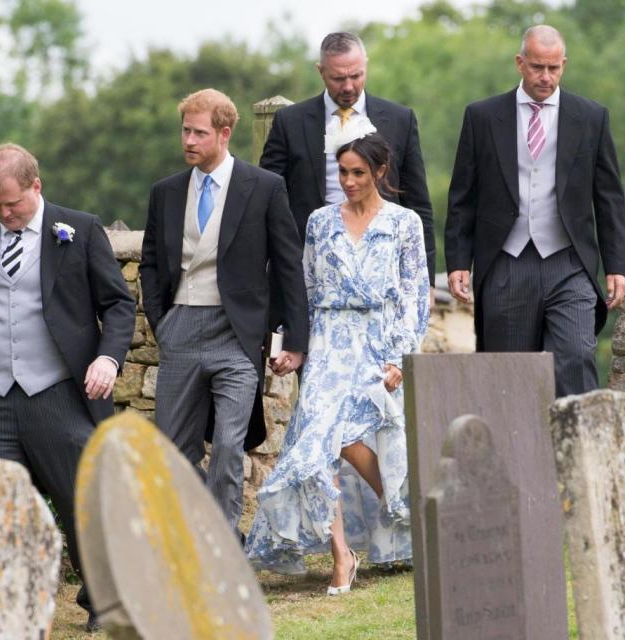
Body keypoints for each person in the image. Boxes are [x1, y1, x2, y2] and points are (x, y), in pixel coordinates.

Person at [0, 143, 136, 633]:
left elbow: (119, 305)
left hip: (59, 393)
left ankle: (106, 600)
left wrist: (108, 358)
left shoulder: (79, 229)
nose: (4, 214)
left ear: (36, 187)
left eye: (13, 205)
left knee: (80, 503)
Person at [246, 119, 430, 594]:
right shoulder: (320, 221)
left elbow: (414, 296)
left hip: (378, 340)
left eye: (358, 173)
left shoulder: (404, 223)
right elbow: (303, 289)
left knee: (353, 439)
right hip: (328, 341)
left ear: (380, 171)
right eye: (342, 172)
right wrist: (294, 347)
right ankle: (341, 555)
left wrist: (400, 356)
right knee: (316, 443)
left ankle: (403, 506)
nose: (348, 182)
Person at [139, 89, 309, 537]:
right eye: (185, 131)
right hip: (180, 327)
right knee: (175, 450)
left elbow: (288, 263)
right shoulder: (166, 192)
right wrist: (163, 322)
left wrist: (294, 340)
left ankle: (221, 542)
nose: (189, 140)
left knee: (231, 447)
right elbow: (152, 262)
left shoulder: (265, 188)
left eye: (198, 132)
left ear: (224, 133)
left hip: (236, 334)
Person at [444, 25, 625, 397]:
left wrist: (616, 266)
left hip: (569, 261)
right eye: (536, 67)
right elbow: (463, 195)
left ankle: (582, 455)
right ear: (519, 63)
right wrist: (458, 261)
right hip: (506, 261)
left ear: (564, 65)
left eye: (554, 68)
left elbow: (608, 195)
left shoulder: (591, 117)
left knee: (576, 357)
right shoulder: (482, 116)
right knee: (510, 379)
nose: (545, 77)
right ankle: (518, 456)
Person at [260, 31, 436, 287]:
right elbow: (267, 198)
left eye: (356, 75)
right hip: (309, 268)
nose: (348, 86)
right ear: (321, 71)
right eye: (338, 78)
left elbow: (418, 203)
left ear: (366, 64)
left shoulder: (400, 119)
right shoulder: (290, 122)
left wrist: (425, 278)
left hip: (382, 266)